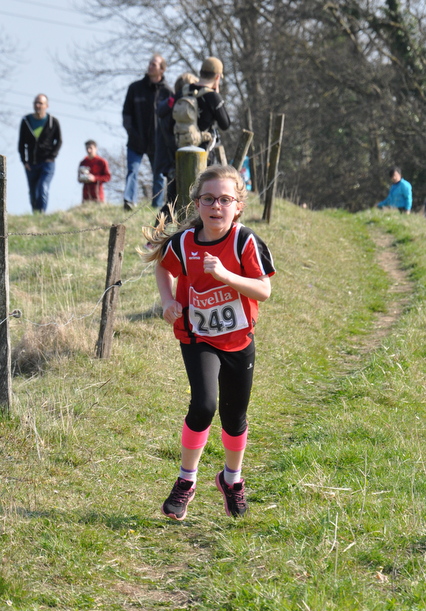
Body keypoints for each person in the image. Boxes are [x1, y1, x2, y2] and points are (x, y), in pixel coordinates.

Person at [141, 165, 275, 520]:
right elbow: (163, 267)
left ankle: (231, 480)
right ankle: (186, 480)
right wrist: (168, 301)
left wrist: (225, 275)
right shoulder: (184, 243)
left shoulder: (245, 241)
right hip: (197, 336)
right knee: (203, 405)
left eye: (225, 199)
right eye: (208, 199)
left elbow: (264, 290)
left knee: (234, 416)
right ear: (197, 203)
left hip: (238, 339)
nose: (216, 206)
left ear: (238, 206)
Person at [122, 54, 173, 211]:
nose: (150, 66)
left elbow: (171, 118)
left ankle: (156, 206)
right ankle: (129, 202)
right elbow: (126, 114)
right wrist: (131, 133)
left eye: (154, 64)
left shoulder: (168, 92)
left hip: (157, 143)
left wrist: (165, 138)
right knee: (132, 171)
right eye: (150, 63)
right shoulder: (135, 88)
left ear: (162, 69)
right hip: (135, 141)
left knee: (158, 175)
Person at [154, 72, 200, 224]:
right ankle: (157, 234)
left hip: (171, 160)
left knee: (174, 202)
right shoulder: (179, 109)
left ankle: (158, 234)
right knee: (173, 202)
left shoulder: (170, 105)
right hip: (175, 161)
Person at [174, 57, 231, 164]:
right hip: (204, 152)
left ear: (201, 73)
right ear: (217, 77)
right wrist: (217, 97)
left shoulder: (184, 91)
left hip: (182, 149)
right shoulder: (212, 96)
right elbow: (225, 124)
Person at [18, 93, 62, 213]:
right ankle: (35, 214)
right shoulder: (26, 121)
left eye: (40, 103)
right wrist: (24, 161)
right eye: (36, 103)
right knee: (33, 192)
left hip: (47, 163)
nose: (38, 105)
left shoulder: (53, 122)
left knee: (43, 187)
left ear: (46, 106)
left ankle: (42, 213)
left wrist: (52, 156)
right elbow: (21, 143)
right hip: (31, 163)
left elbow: (59, 141)